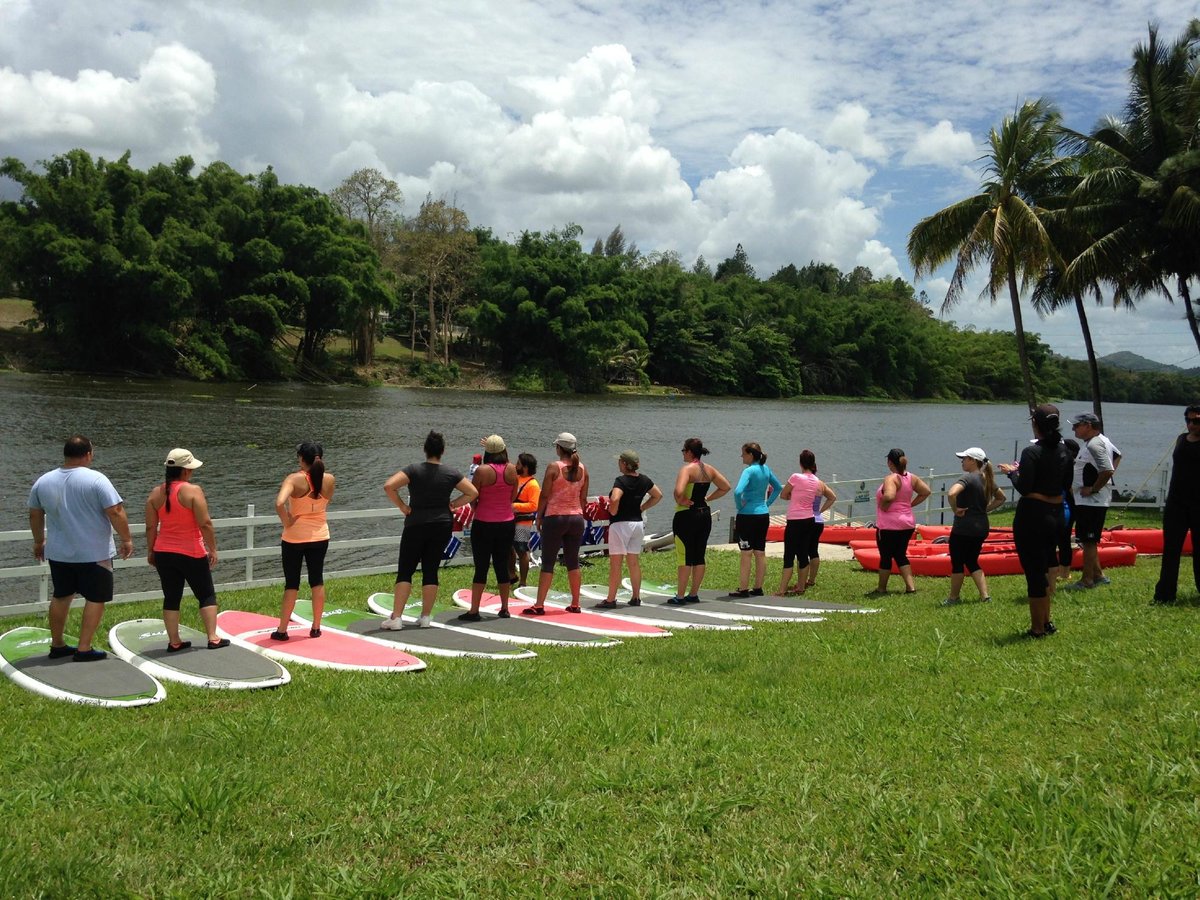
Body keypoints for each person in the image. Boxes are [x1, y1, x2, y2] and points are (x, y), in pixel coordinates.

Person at [28, 435, 134, 662]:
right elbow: (115, 511)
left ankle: (57, 644)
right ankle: (84, 648)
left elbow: (35, 514)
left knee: (61, 596)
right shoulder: (97, 480)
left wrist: (39, 541)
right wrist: (126, 539)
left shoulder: (43, 481)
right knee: (96, 598)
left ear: (65, 454)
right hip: (94, 553)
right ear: (88, 454)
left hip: (58, 552)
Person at [381, 431, 477, 628]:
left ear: (425, 450)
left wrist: (402, 506)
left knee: (405, 570)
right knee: (431, 570)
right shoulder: (451, 473)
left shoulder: (414, 470)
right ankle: (425, 617)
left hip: (416, 523)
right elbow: (472, 492)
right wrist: (454, 504)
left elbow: (389, 486)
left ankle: (396, 617)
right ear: (442, 451)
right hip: (442, 524)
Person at [999, 404, 1073, 637]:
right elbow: (1066, 483)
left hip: (1033, 517)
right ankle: (1047, 621)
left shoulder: (1031, 453)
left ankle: (1037, 628)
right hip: (1057, 515)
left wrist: (1012, 473)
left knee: (1034, 573)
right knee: (1046, 567)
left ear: (1035, 425)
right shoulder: (1065, 452)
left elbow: (1024, 487)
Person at [145, 448, 229, 650]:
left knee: (171, 597)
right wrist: (213, 549)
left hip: (164, 552)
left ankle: (174, 641)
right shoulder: (192, 491)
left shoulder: (155, 494)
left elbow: (150, 526)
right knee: (206, 594)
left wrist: (151, 551)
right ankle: (212, 637)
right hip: (191, 551)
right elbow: (205, 523)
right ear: (185, 471)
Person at [271, 441, 335, 640]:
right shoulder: (329, 479)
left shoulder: (294, 479)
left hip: (294, 538)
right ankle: (316, 628)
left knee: (292, 583)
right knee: (317, 580)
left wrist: (287, 521)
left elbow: (279, 503)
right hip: (320, 535)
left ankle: (282, 631)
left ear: (301, 458)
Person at [526, 433, 589, 615]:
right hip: (576, 517)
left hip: (555, 517)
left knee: (548, 562)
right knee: (573, 561)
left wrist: (539, 517)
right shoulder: (583, 469)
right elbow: (583, 498)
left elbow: (544, 495)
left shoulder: (554, 467)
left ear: (559, 449)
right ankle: (576, 603)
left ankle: (539, 605)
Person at [459, 435, 518, 620]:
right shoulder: (512, 470)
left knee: (481, 567)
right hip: (506, 522)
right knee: (502, 565)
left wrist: (477, 508)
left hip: (484, 523)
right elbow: (512, 497)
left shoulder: (482, 471)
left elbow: (472, 495)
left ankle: (474, 610)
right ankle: (504, 608)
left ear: (487, 452)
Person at [1064, 412, 1122, 590]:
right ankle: (1098, 575)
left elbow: (1107, 470)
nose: (1073, 428)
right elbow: (1118, 456)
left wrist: (1094, 487)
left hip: (1091, 502)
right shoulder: (1101, 441)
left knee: (1088, 541)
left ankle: (1086, 580)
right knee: (1089, 540)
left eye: (1076, 425)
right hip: (1090, 501)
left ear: (1088, 425)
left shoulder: (1095, 444)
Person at [671, 437, 731, 604]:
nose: (683, 453)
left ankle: (680, 596)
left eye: (683, 450)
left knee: (684, 556)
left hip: (686, 515)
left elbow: (678, 490)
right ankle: (693, 593)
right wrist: (708, 498)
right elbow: (725, 486)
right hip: (704, 514)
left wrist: (681, 500)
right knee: (699, 555)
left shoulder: (687, 469)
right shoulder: (709, 469)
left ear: (690, 452)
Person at [942, 447, 1006, 605]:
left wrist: (955, 510)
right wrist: (985, 509)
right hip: (981, 527)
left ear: (972, 460)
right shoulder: (987, 479)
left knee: (957, 562)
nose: (962, 461)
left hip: (964, 528)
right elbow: (1001, 498)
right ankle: (985, 596)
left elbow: (951, 493)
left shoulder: (968, 478)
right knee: (971, 560)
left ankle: (953, 597)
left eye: (964, 458)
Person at [599, 450, 662, 607]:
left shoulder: (620, 481)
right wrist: (642, 507)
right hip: (637, 524)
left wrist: (613, 511)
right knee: (633, 562)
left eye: (620, 462)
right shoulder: (644, 480)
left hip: (620, 524)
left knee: (616, 563)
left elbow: (615, 498)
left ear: (625, 464)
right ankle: (635, 597)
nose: (618, 464)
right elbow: (658, 495)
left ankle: (611, 599)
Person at [1154, 404, 1200, 604]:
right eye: (1188, 420)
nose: (1191, 425)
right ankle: (1165, 594)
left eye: (1196, 421)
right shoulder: (1181, 440)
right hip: (1176, 503)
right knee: (1171, 550)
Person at [871, 448, 932, 595]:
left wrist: (883, 506)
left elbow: (890, 496)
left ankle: (881, 588)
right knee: (900, 555)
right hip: (907, 524)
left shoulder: (891, 478)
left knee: (886, 556)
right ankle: (910, 587)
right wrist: (909, 504)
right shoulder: (911, 478)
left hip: (889, 526)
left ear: (889, 462)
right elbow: (926, 492)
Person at [776, 449, 836, 596]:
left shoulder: (796, 477)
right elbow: (828, 496)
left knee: (789, 555)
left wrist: (793, 496)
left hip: (795, 520)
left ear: (800, 463)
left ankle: (782, 590)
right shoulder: (817, 482)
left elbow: (783, 495)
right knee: (804, 554)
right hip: (810, 519)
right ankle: (801, 587)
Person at [731, 442, 782, 597]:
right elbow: (778, 487)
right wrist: (767, 503)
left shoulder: (749, 471)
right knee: (760, 552)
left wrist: (740, 506)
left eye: (743, 453)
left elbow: (737, 492)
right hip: (763, 515)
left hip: (747, 517)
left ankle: (744, 588)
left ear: (750, 455)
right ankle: (758, 587)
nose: (741, 456)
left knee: (746, 552)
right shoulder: (765, 469)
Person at [805, 452, 837, 589]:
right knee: (813, 550)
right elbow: (832, 497)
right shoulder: (820, 484)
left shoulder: (803, 481)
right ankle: (811, 579)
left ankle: (803, 579)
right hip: (818, 520)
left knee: (803, 551)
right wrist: (821, 511)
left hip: (805, 519)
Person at [509, 453, 540, 587]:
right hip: (511, 519)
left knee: (521, 550)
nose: (516, 465)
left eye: (519, 464)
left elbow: (534, 505)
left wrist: (514, 506)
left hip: (523, 522)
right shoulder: (516, 478)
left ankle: (523, 581)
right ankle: (511, 575)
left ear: (526, 467)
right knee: (508, 548)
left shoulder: (533, 484)